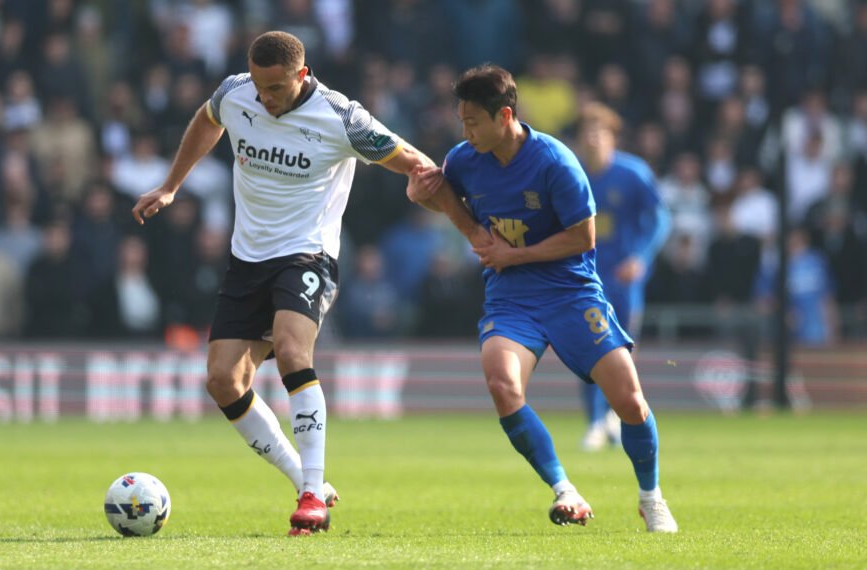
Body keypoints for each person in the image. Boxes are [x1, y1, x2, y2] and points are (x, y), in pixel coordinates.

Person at [131, 31, 437, 536]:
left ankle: (313, 496)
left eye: (274, 88)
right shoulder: (236, 92)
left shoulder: (343, 118)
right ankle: (303, 477)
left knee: (294, 351)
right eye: (258, 85)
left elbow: (417, 163)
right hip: (247, 261)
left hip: (308, 254)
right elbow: (209, 121)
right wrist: (171, 185)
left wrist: (429, 192)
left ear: (301, 75)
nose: (264, 97)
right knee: (223, 381)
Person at [407, 64, 678, 532]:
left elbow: (583, 238)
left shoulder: (556, 161)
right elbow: (449, 198)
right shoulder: (465, 158)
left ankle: (651, 497)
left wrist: (515, 255)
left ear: (504, 116)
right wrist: (425, 198)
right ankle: (564, 490)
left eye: (473, 122)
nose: (465, 131)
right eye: (462, 121)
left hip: (572, 293)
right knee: (501, 385)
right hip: (511, 300)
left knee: (630, 402)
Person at [574, 103, 672, 451]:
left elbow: (660, 220)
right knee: (588, 350)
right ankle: (595, 423)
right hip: (584, 277)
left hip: (623, 279)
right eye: (587, 133)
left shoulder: (633, 173)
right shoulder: (572, 174)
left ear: (613, 138)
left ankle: (616, 417)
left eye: (599, 133)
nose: (593, 140)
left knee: (621, 353)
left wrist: (640, 257)